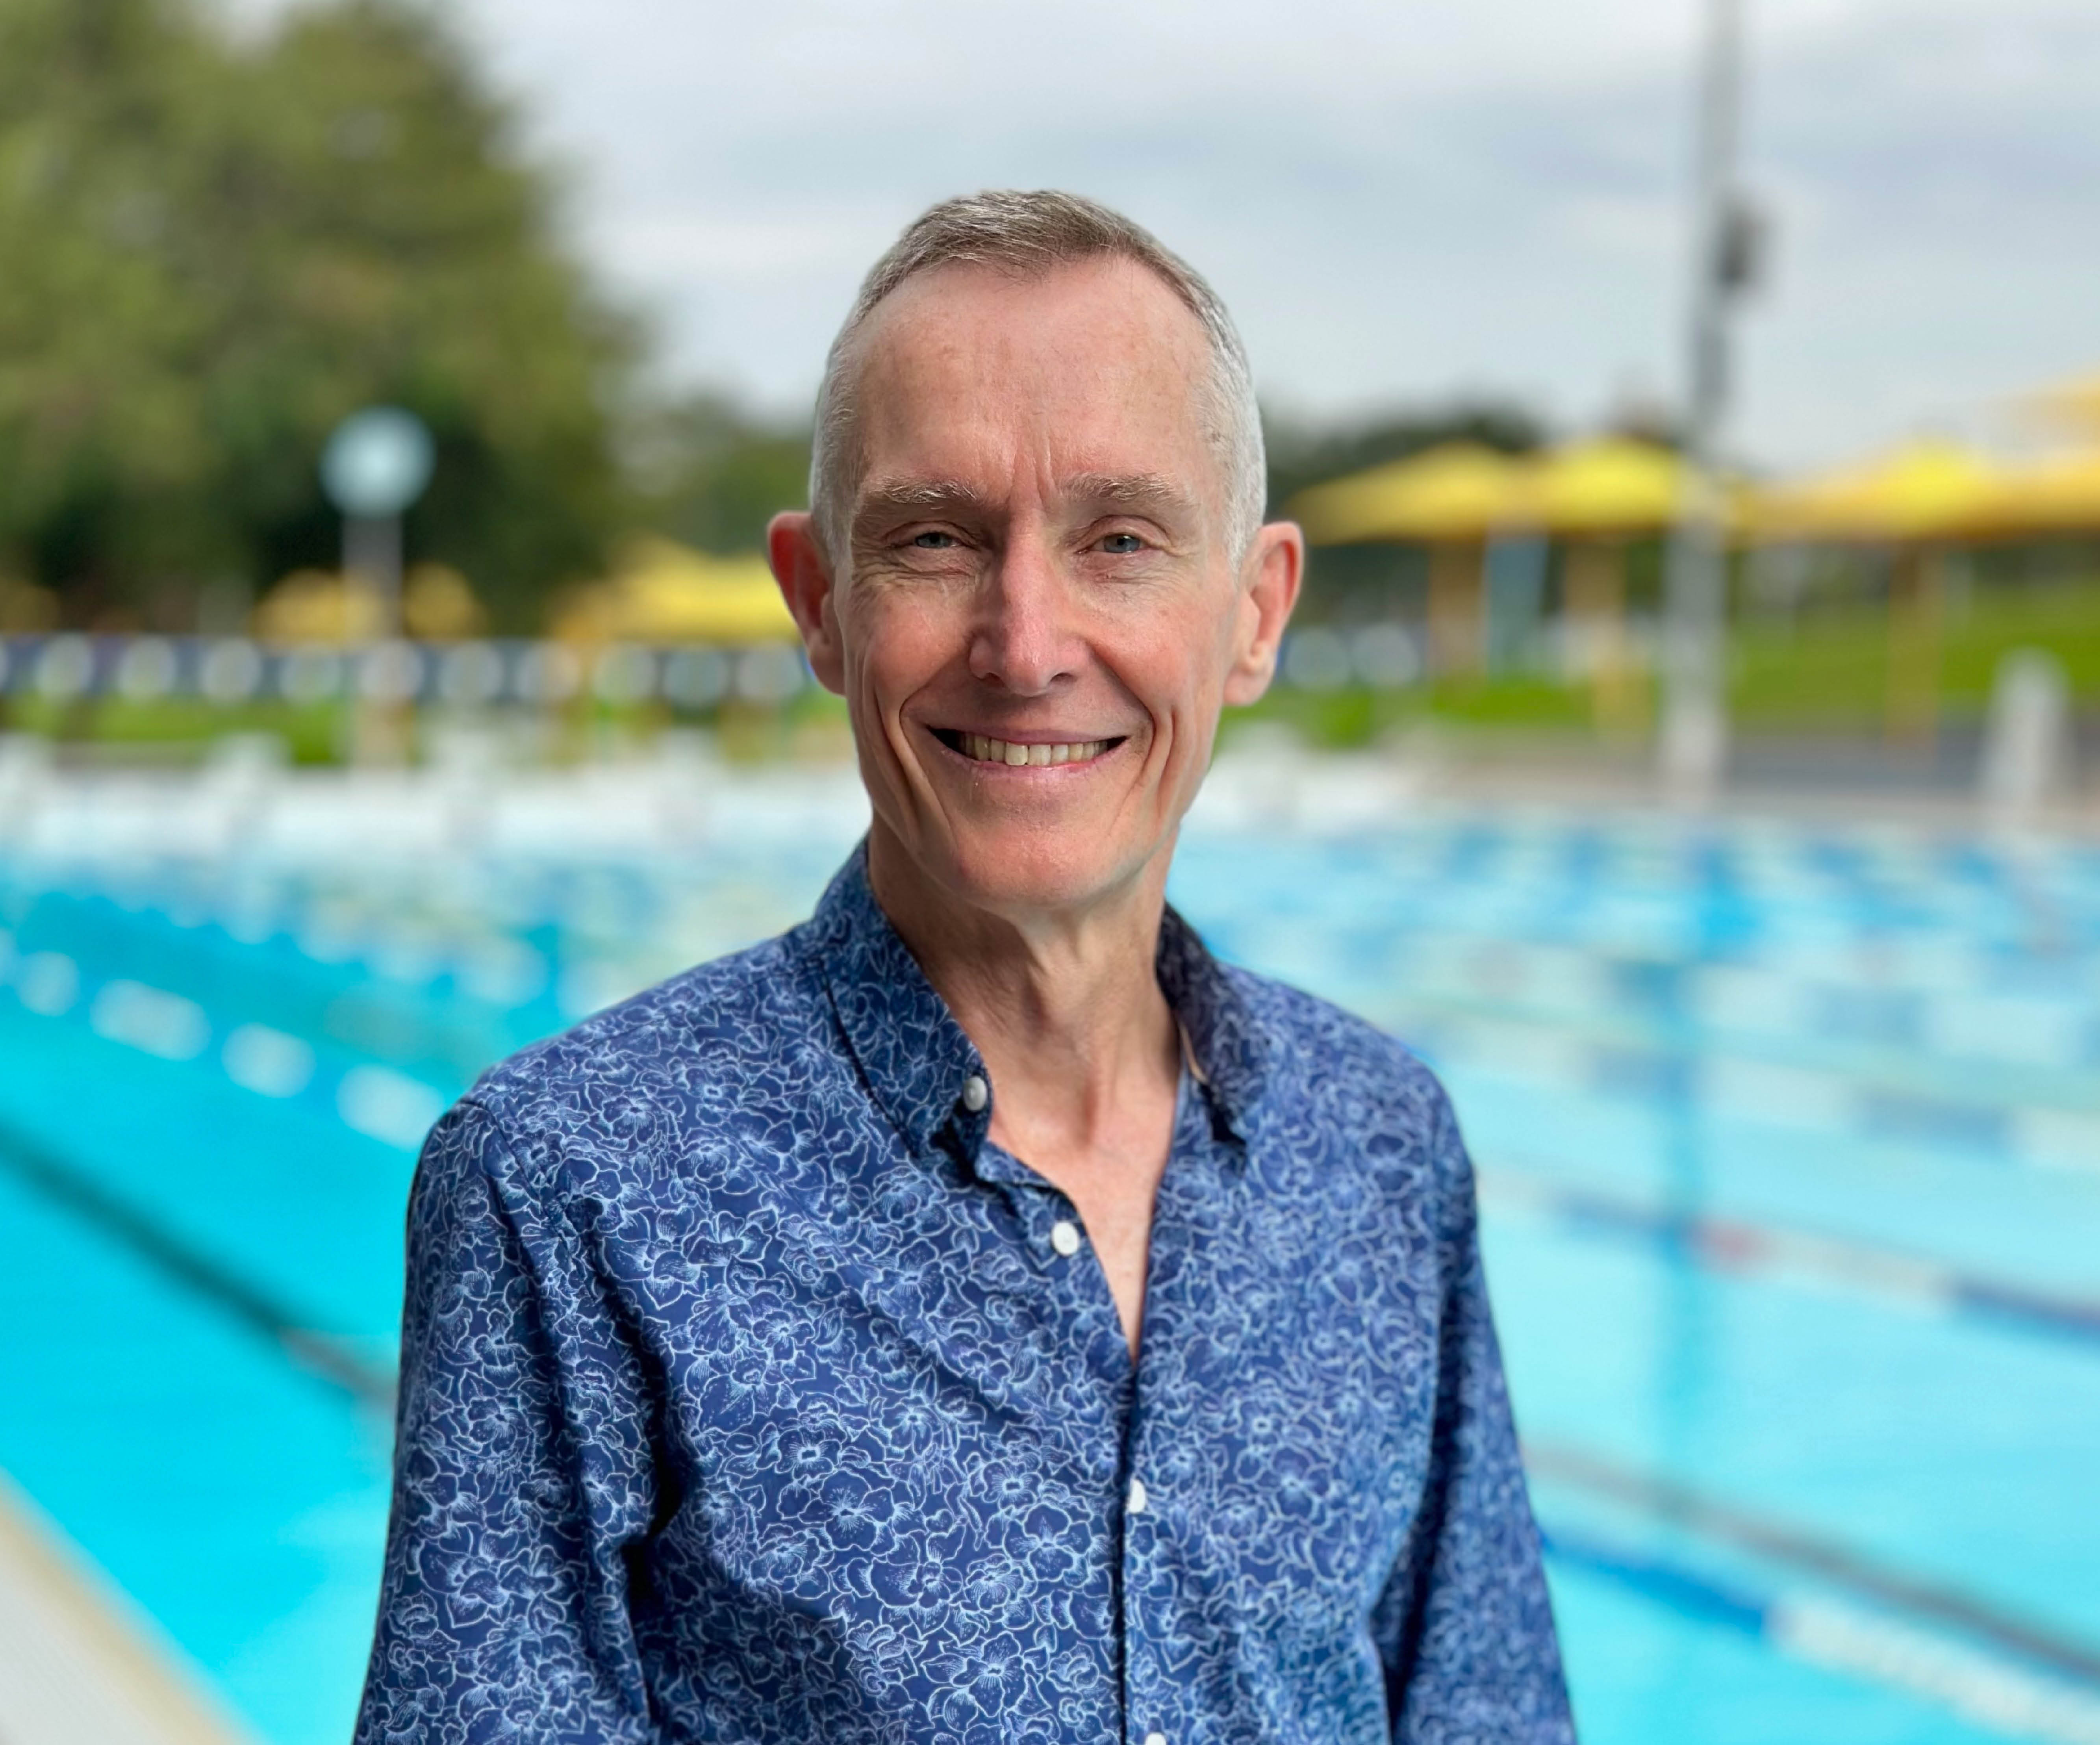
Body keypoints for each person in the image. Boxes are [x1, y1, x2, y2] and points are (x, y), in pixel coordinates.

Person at [357, 189, 1572, 1745]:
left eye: (1118, 542)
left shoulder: (1378, 1146)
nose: (1024, 638)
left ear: (1253, 612)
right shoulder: (574, 1185)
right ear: (817, 604)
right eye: (934, 541)